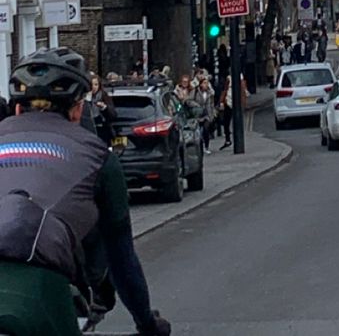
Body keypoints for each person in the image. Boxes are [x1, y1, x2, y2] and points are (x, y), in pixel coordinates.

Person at [0, 47, 170, 336]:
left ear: (17, 108)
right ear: (78, 110)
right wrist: (147, 323)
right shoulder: (98, 158)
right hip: (38, 293)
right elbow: (121, 258)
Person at [87, 73, 117, 145]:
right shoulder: (85, 97)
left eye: (96, 84)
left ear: (99, 85)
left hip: (103, 132)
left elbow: (113, 115)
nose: (93, 87)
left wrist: (104, 107)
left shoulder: (104, 96)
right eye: (91, 84)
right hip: (88, 132)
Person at [192, 74, 216, 155]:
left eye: (207, 83)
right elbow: (189, 100)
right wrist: (196, 105)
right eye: (204, 83)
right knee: (198, 132)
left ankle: (206, 147)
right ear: (201, 84)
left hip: (207, 115)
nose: (206, 84)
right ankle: (200, 148)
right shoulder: (195, 91)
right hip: (197, 115)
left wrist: (212, 115)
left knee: (206, 130)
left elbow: (211, 104)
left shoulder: (210, 93)